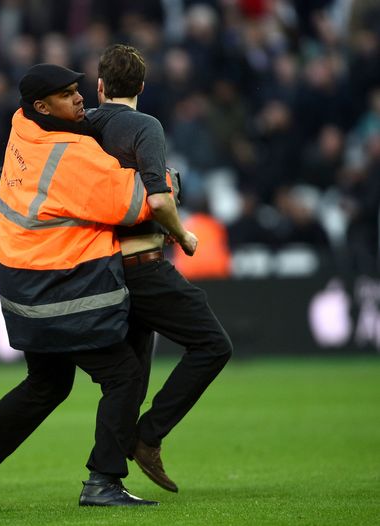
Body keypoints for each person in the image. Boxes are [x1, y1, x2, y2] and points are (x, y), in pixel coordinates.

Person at [0, 63, 169, 508]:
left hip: (22, 288)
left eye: (78, 90)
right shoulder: (69, 154)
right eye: (66, 95)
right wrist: (170, 180)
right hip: (59, 290)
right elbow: (138, 203)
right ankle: (103, 481)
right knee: (124, 374)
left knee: (48, 384)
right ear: (43, 107)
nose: (80, 99)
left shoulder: (23, 128)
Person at [88, 43, 233, 492]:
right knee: (212, 345)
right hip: (143, 263)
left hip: (99, 265)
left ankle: (104, 476)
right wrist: (184, 233)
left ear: (99, 87)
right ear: (142, 87)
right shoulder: (144, 126)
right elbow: (158, 198)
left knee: (130, 372)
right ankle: (147, 437)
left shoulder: (80, 127)